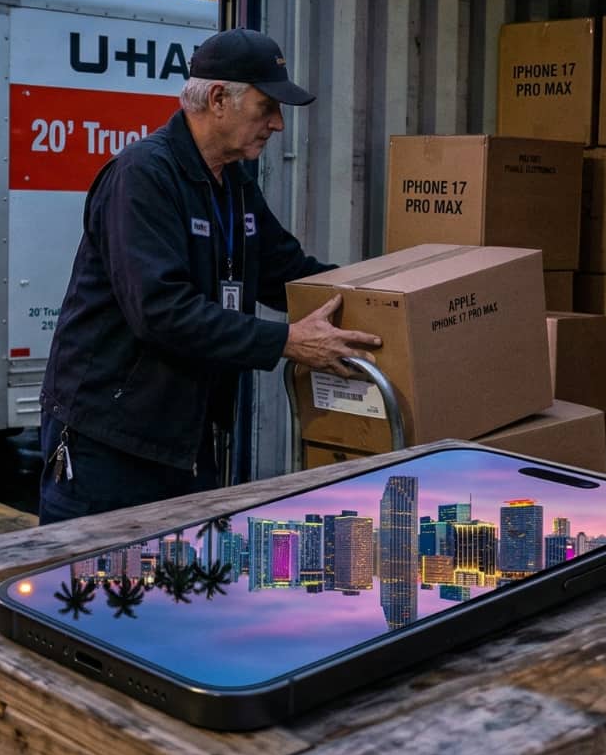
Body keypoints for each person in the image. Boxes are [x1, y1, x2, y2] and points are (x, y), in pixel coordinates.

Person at [36, 29, 383, 525]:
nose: (278, 124)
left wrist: (388, 295)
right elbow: (160, 311)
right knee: (101, 593)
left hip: (184, 438)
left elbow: (289, 274)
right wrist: (286, 341)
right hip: (109, 441)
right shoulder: (143, 177)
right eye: (267, 107)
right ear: (218, 99)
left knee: (180, 587)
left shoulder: (235, 185)